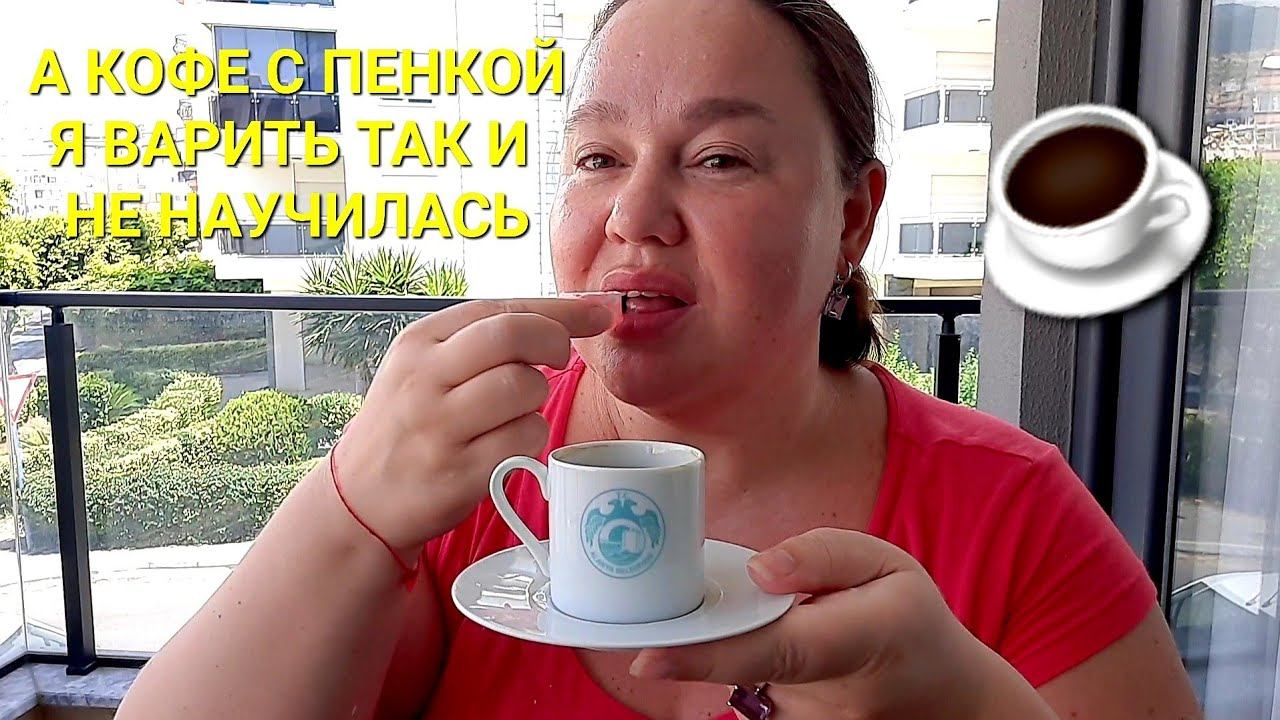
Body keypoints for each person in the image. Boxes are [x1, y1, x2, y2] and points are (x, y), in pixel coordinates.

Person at [116, 0, 1204, 718]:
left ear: (851, 219)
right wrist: (346, 504)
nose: (632, 214)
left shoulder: (1012, 511)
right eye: (598, 157)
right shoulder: (468, 472)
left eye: (719, 158)